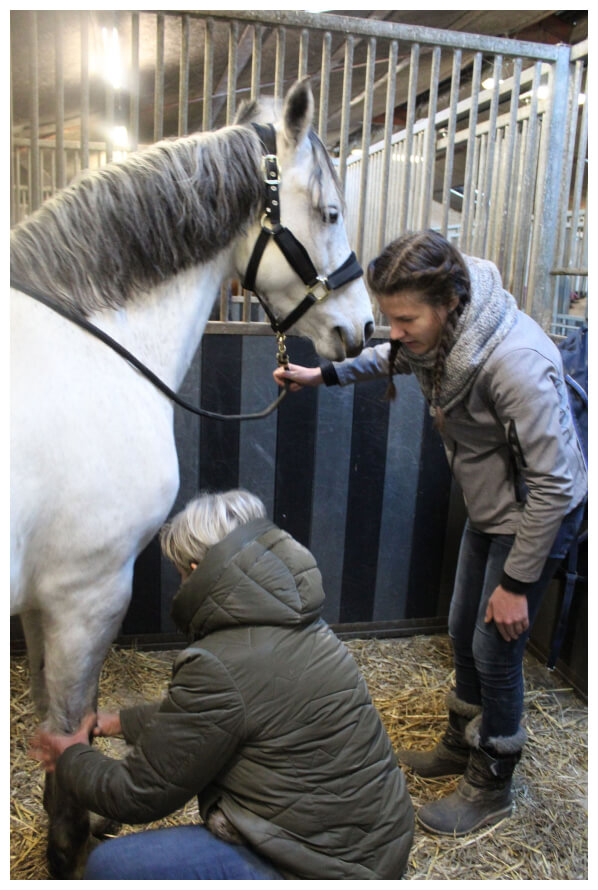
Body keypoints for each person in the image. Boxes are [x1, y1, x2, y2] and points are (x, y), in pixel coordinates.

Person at [273, 230, 587, 837]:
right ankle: (459, 741)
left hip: (535, 521)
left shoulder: (514, 363)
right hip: (492, 511)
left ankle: (493, 777)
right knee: (461, 630)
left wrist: (519, 583)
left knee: (496, 647)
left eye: (405, 317)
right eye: (388, 316)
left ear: (447, 303)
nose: (394, 329)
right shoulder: (442, 333)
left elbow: (560, 485)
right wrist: (325, 376)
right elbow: (393, 354)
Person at [29, 489, 414, 880]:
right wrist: (120, 723)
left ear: (196, 571)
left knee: (111, 867)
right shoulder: (298, 624)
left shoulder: (219, 663)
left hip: (324, 870)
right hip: (375, 849)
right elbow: (217, 716)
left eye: (179, 572)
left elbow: (137, 794)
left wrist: (70, 758)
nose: (178, 586)